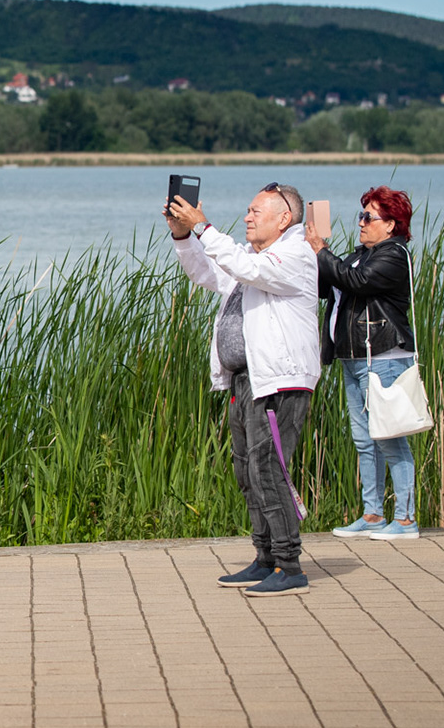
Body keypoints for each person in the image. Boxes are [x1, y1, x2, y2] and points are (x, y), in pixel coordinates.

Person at [165, 182, 321, 597]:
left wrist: (204, 227)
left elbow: (242, 266)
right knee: (247, 471)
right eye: (248, 211)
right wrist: (183, 234)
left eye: (255, 211)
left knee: (268, 468)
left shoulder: (294, 255)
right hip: (246, 380)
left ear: (284, 218)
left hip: (279, 380)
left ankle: (290, 566)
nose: (248, 217)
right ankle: (265, 558)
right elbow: (205, 270)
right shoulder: (254, 260)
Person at [307, 186, 419, 540]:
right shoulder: (359, 256)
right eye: (361, 215)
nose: (361, 223)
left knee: (390, 437)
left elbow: (357, 282)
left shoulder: (395, 256)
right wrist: (314, 253)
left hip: (383, 356)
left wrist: (322, 251)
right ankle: (372, 514)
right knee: (364, 440)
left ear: (391, 224)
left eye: (369, 217)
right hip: (353, 357)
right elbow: (329, 286)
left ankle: (406, 520)